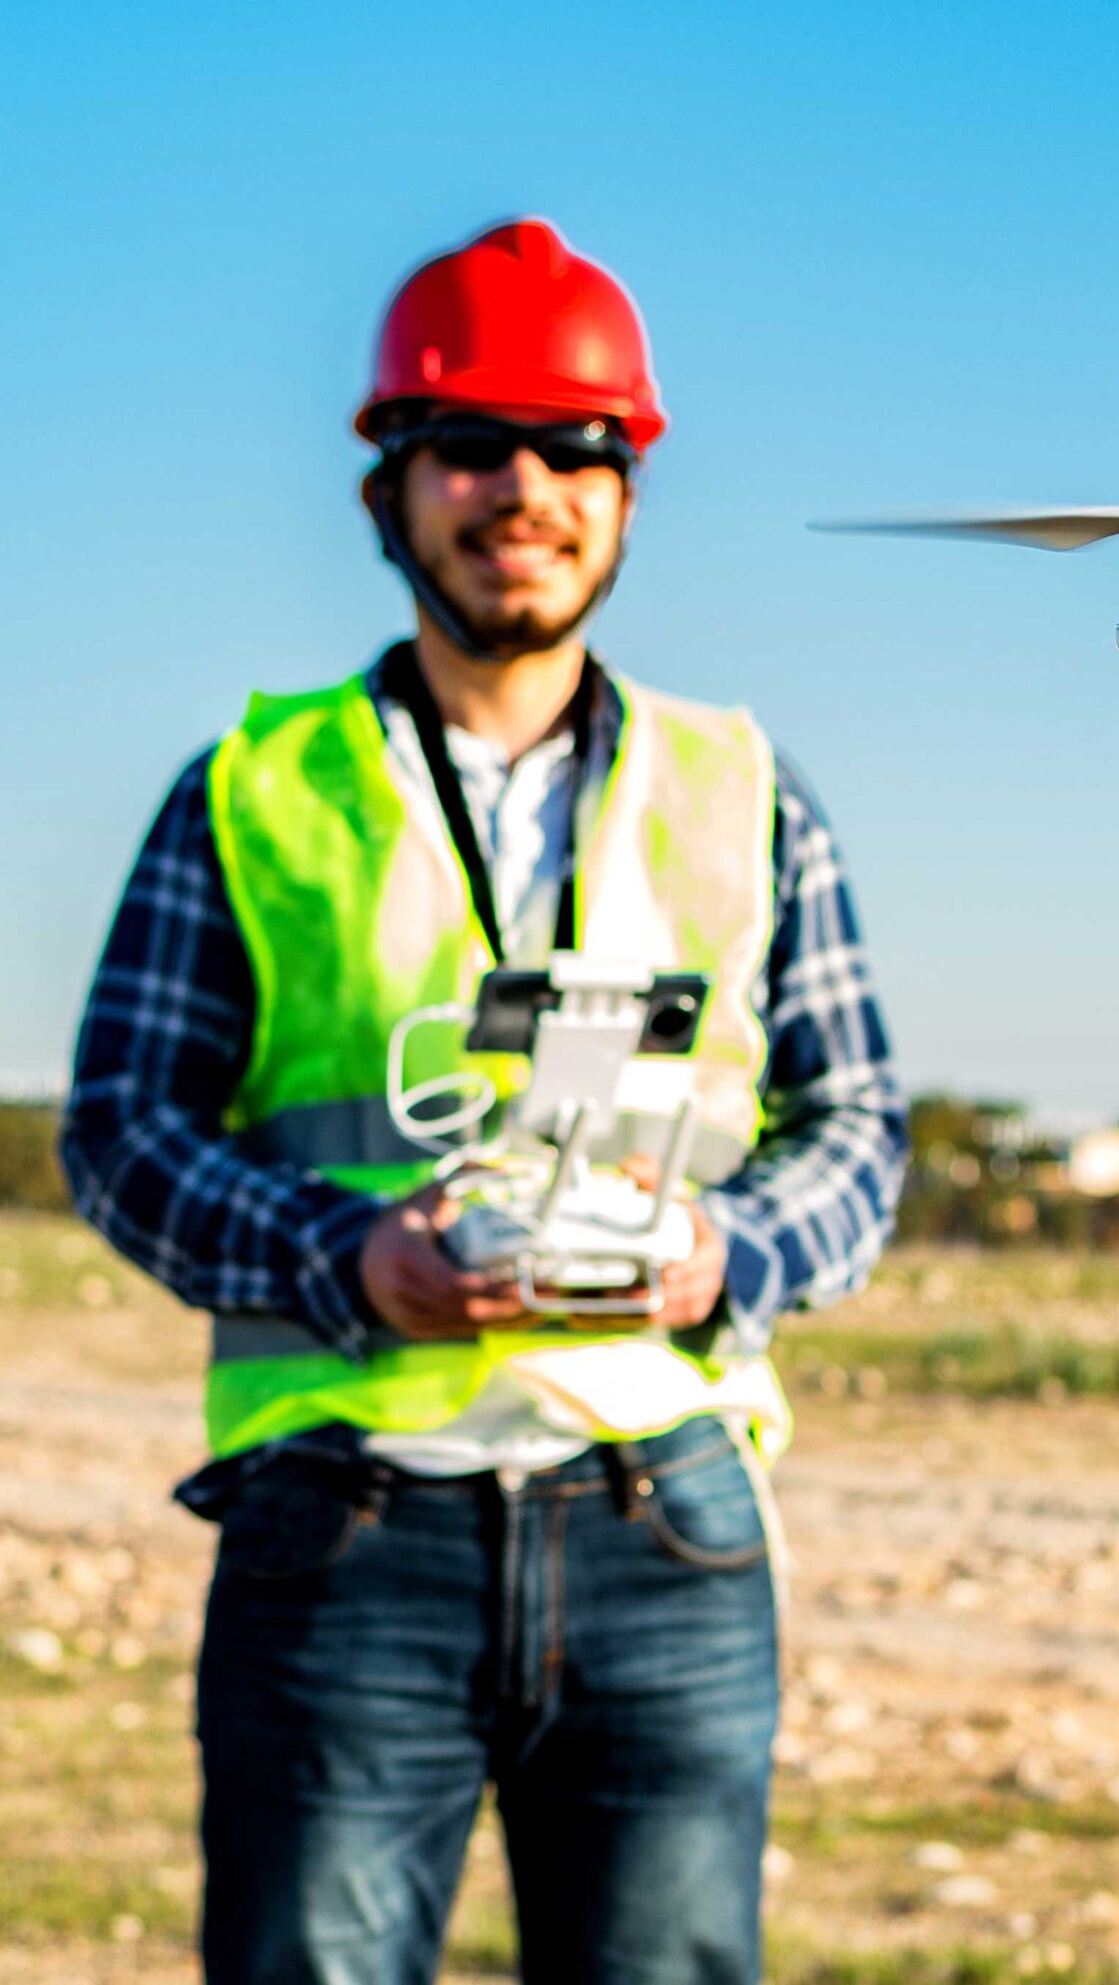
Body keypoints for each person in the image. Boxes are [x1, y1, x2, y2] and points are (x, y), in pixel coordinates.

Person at [59, 216, 907, 1985]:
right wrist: (346, 1256)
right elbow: (123, 1127)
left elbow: (859, 1136)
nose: (524, 487)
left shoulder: (744, 790)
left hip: (662, 1523)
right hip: (346, 1527)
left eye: (575, 447)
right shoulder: (251, 788)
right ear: (391, 486)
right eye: (473, 446)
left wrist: (716, 1251)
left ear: (626, 489)